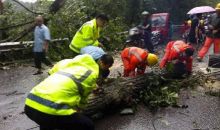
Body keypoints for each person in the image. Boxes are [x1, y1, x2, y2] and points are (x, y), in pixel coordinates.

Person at [24, 54, 114, 130]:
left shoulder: (68, 64)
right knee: (88, 125)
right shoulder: (92, 73)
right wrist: (79, 110)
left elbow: (55, 75)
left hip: (29, 105)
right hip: (50, 110)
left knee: (45, 122)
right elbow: (83, 98)